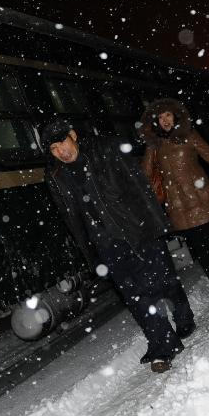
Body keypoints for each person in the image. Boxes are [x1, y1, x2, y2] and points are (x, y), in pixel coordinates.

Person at [41, 119, 195, 373]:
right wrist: (92, 255)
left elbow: (141, 187)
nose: (61, 151)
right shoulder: (56, 176)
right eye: (53, 148)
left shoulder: (107, 149)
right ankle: (163, 344)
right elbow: (73, 219)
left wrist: (159, 225)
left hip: (139, 229)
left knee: (164, 281)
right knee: (136, 295)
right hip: (107, 243)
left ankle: (183, 314)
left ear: (73, 135)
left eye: (62, 143)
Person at [139, 98, 209, 303]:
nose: (164, 120)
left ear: (175, 116)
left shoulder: (188, 135)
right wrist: (150, 146)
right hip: (179, 209)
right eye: (160, 117)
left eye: (168, 115)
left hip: (203, 201)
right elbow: (144, 176)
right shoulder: (155, 145)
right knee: (202, 253)